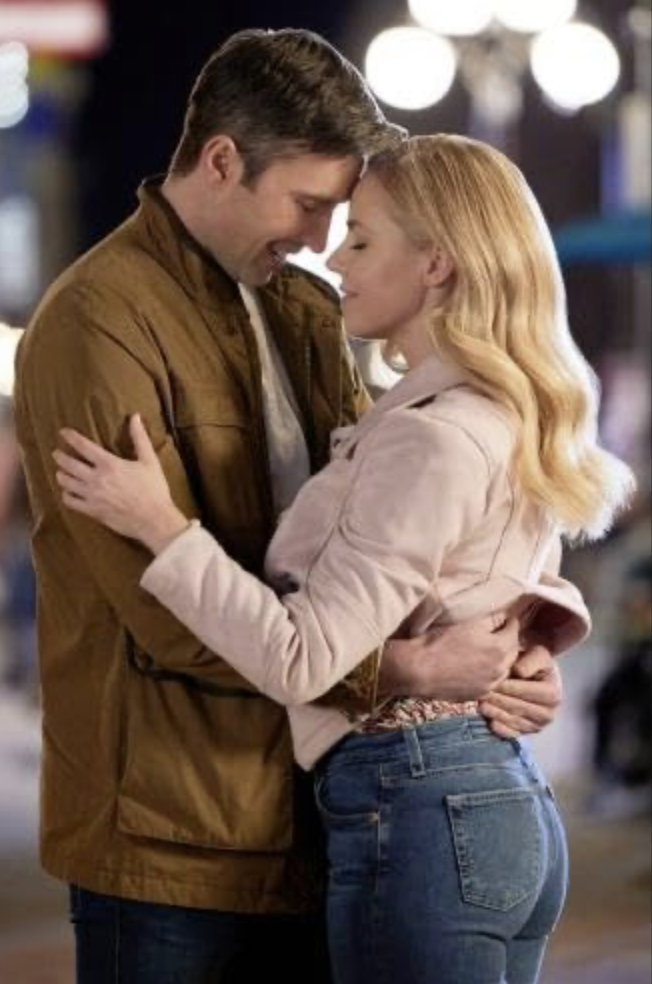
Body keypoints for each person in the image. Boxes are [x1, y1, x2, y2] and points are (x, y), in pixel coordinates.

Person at [16, 29, 564, 984]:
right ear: (223, 161)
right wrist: (409, 670)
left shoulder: (304, 310)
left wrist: (520, 647)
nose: (320, 242)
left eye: (342, 220)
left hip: (318, 811)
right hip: (171, 832)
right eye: (309, 206)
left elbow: (390, 535)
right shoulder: (96, 320)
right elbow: (158, 611)